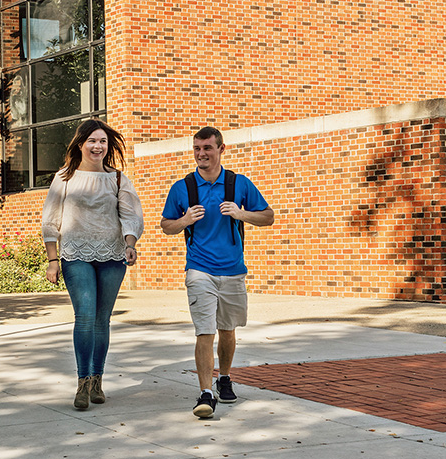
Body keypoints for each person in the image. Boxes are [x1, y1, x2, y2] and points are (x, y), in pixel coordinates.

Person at [160, 126, 274, 419]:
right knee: (204, 331)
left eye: (207, 148)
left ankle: (224, 378)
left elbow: (268, 217)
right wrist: (184, 219)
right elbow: (166, 225)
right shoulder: (183, 187)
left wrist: (241, 213)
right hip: (199, 269)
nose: (201, 154)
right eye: (197, 149)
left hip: (233, 270)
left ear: (221, 149)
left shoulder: (238, 184)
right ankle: (205, 392)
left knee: (227, 330)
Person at [41, 118, 144, 410]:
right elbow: (50, 219)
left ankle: (97, 379)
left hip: (113, 256)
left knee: (102, 319)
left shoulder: (118, 178)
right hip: (75, 254)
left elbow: (131, 214)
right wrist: (52, 260)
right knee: (85, 316)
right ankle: (82, 382)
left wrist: (130, 244)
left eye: (102, 141)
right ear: (81, 143)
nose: (97, 146)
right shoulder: (65, 177)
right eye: (92, 141)